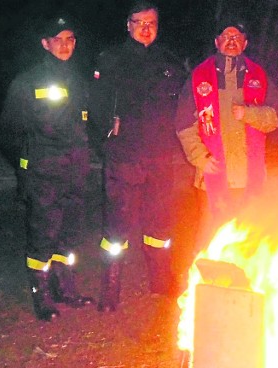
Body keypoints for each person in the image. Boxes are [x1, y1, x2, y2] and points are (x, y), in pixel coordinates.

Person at [90, 1, 185, 311]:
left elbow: (182, 107)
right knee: (117, 226)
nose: (146, 27)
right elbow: (96, 107)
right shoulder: (111, 59)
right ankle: (111, 288)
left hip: (159, 156)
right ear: (127, 25)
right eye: (139, 22)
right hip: (124, 156)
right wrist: (106, 133)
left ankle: (160, 280)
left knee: (160, 223)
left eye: (152, 22)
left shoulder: (169, 62)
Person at [0, 16, 95, 321]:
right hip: (43, 173)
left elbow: (87, 123)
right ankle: (41, 296)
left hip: (75, 171)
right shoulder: (26, 82)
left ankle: (64, 288)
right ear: (45, 43)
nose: (65, 45)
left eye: (70, 39)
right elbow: (9, 133)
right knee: (42, 234)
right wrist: (28, 163)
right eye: (58, 39)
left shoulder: (80, 79)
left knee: (70, 233)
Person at [175, 17, 278, 240]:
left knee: (248, 239)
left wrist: (249, 114)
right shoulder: (198, 77)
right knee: (213, 239)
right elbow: (184, 124)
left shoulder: (260, 77)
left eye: (237, 37)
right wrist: (200, 157)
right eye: (226, 36)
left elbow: (276, 117)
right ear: (216, 42)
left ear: (245, 43)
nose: (231, 41)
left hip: (249, 178)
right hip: (210, 178)